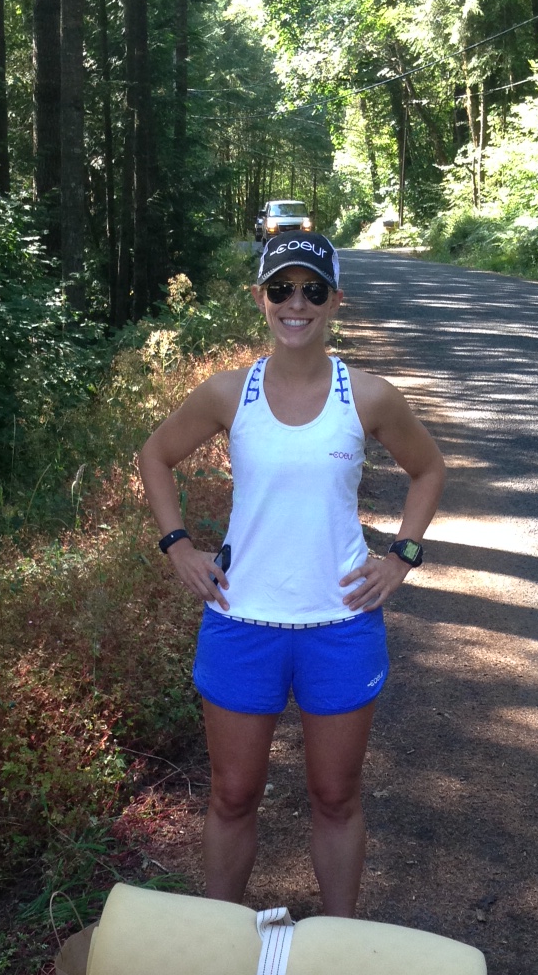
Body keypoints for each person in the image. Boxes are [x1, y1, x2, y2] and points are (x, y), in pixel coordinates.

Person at [138, 232, 444, 917]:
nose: (295, 303)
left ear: (335, 299)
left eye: (311, 290)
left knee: (336, 798)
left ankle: (336, 946)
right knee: (231, 795)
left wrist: (401, 557)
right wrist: (178, 547)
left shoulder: (368, 396)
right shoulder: (227, 393)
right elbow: (155, 456)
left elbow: (429, 469)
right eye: (281, 289)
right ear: (261, 298)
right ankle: (223, 942)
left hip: (339, 625)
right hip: (241, 621)